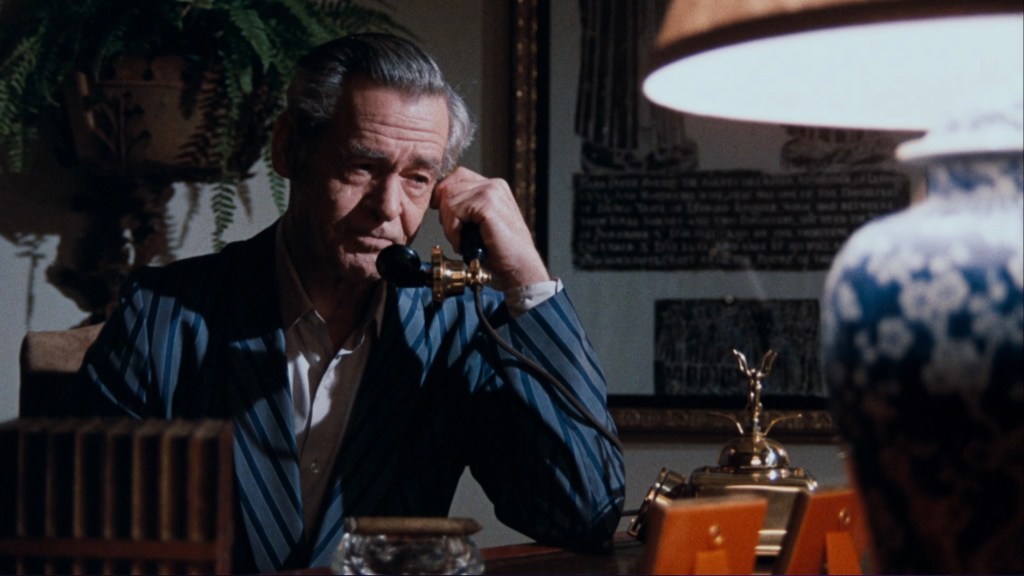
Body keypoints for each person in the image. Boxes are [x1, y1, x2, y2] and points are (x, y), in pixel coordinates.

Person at [74, 32, 626, 572]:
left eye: (417, 178)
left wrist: (525, 276)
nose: (388, 207)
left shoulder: (455, 331)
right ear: (290, 149)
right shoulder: (162, 315)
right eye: (362, 166)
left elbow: (586, 513)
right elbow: (79, 536)